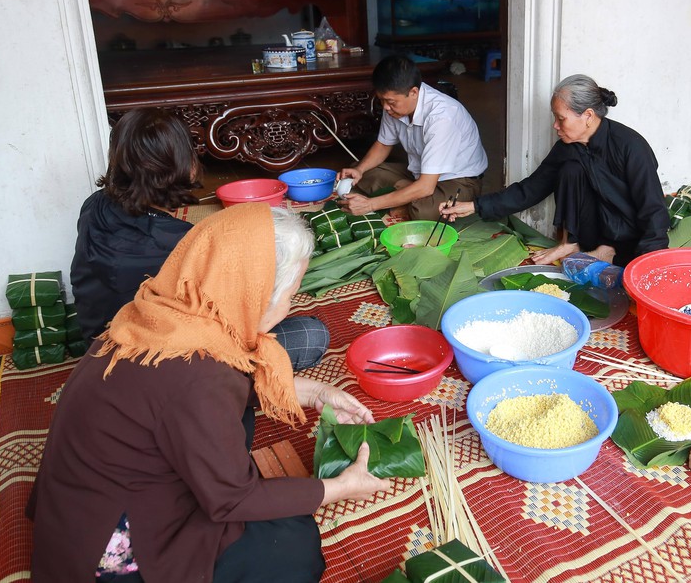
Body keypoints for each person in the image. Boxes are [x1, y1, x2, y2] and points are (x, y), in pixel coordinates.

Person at [29, 204, 391, 582]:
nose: (291, 306)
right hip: (110, 545)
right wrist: (339, 487)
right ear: (255, 294)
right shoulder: (200, 376)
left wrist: (315, 392)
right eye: (290, 293)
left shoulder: (165, 311)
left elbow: (192, 395)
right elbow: (232, 499)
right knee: (291, 547)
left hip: (80, 505)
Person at [70, 108, 330, 371]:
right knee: (310, 335)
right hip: (154, 363)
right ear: (185, 165)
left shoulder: (94, 205)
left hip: (95, 347)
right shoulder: (185, 246)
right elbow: (236, 322)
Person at [440, 74, 670, 267]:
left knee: (634, 258)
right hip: (596, 230)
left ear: (588, 116)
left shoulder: (631, 146)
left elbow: (653, 210)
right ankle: (573, 243)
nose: (555, 126)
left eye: (561, 118)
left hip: (628, 233)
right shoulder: (567, 149)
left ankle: (610, 252)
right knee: (570, 169)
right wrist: (473, 206)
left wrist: (648, 266)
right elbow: (530, 189)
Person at [338, 54, 487, 221]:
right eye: (382, 101)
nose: (386, 107)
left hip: (458, 180)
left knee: (422, 211)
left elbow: (426, 187)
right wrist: (360, 170)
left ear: (414, 92)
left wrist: (371, 205)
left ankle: (407, 195)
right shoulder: (394, 107)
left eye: (391, 102)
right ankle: (407, 193)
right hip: (420, 173)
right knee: (361, 173)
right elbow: (383, 144)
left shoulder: (442, 117)